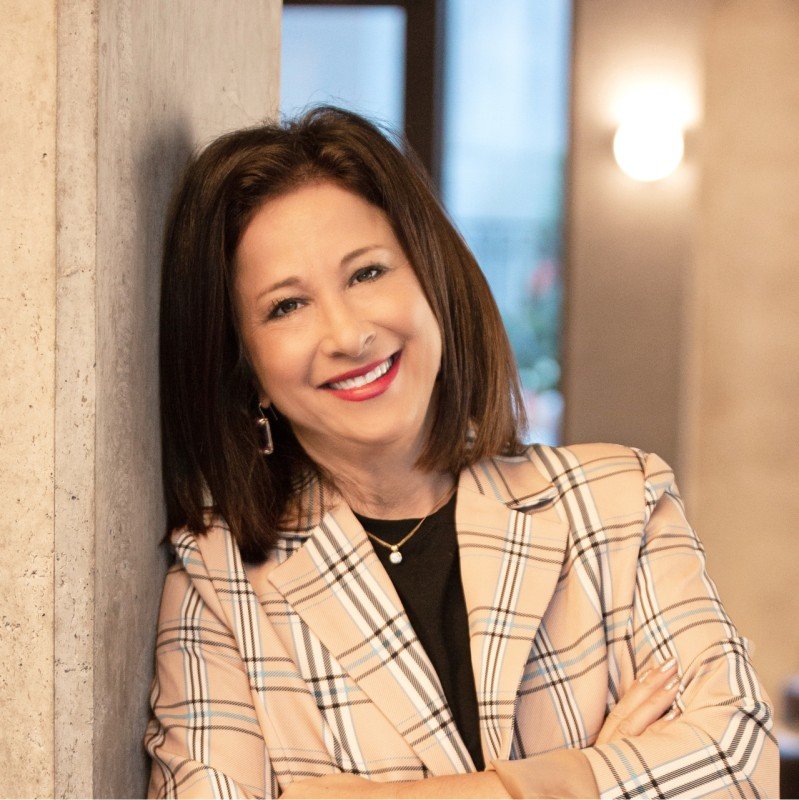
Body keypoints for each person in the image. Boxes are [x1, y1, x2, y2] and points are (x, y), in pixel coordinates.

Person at [145, 106, 777, 798]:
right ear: (247, 368)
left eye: (366, 273)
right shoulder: (219, 579)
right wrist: (592, 776)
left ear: (432, 282)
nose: (347, 334)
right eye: (286, 306)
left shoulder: (618, 504)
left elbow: (739, 765)